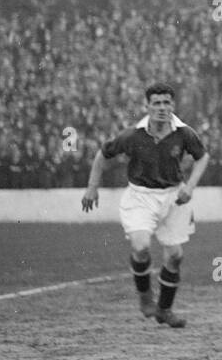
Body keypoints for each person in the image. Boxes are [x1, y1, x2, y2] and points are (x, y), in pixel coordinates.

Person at [81, 84, 209, 328]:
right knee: (141, 247)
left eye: (167, 103)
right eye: (157, 103)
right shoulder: (133, 135)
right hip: (140, 197)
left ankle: (164, 310)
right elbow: (103, 154)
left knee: (175, 256)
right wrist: (91, 187)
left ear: (173, 106)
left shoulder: (184, 133)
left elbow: (203, 156)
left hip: (173, 197)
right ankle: (145, 297)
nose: (162, 108)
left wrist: (190, 187)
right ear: (147, 106)